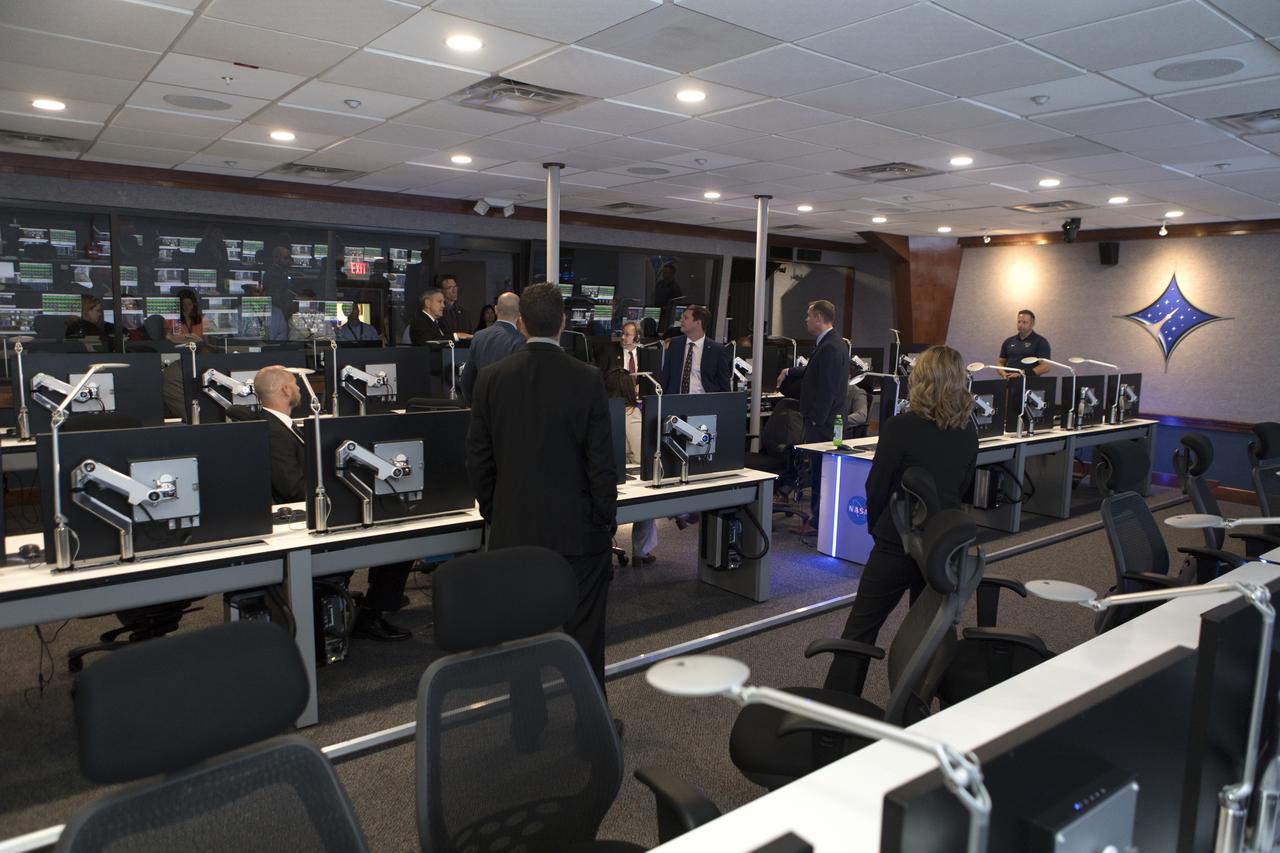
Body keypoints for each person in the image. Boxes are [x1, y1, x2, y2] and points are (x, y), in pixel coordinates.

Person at [466, 283, 617, 691]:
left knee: (521, 632)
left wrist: (497, 513)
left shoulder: (491, 380)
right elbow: (602, 464)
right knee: (585, 634)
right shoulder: (587, 379)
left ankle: (526, 730)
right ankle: (591, 731)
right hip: (579, 533)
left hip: (514, 531)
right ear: (563, 323)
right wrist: (605, 521)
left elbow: (479, 460)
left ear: (520, 324)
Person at [822, 346, 978, 695]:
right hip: (941, 548)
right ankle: (943, 709)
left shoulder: (901, 427)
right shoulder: (969, 431)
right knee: (934, 632)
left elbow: (876, 488)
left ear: (921, 379)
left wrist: (880, 531)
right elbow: (963, 489)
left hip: (896, 544)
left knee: (860, 631)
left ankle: (834, 717)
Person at [253, 365, 412, 642]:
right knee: (398, 535)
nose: (301, 389)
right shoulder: (273, 431)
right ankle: (373, 611)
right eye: (296, 384)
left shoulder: (282, 426)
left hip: (316, 511)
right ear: (285, 390)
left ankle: (372, 602)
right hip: (305, 519)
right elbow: (292, 488)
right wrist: (339, 495)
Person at [775, 300, 847, 535]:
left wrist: (816, 420)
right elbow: (815, 371)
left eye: (808, 316)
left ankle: (817, 523)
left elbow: (828, 388)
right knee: (816, 471)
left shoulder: (830, 347)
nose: (805, 320)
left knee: (819, 473)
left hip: (822, 423)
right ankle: (817, 521)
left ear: (818, 317)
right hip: (822, 421)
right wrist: (791, 371)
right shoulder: (829, 343)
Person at [604, 367, 657, 565]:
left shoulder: (600, 408)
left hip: (603, 474)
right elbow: (638, 454)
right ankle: (640, 552)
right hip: (625, 477)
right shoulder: (631, 413)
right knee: (650, 490)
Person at [459, 291, 522, 403]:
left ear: (496, 309)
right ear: (519, 313)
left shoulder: (478, 336)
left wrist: (473, 404)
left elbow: (467, 378)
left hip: (482, 406)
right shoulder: (520, 340)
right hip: (508, 407)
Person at [659, 304, 731, 395]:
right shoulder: (674, 344)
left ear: (698, 323)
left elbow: (725, 386)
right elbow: (665, 377)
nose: (681, 320)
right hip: (676, 401)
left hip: (705, 403)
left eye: (685, 318)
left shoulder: (717, 350)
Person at [996, 309, 1051, 377]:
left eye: (1024, 322)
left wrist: (1022, 374)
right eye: (1019, 322)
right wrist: (1003, 373)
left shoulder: (1040, 342)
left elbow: (1046, 366)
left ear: (1032, 323)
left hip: (1029, 384)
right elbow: (1000, 362)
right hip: (1009, 383)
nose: (1020, 325)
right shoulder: (1008, 341)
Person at [438, 274, 472, 340]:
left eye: (455, 287)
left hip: (463, 349)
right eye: (450, 288)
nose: (454, 291)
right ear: (441, 291)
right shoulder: (437, 312)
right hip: (445, 348)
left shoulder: (465, 312)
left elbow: (468, 334)